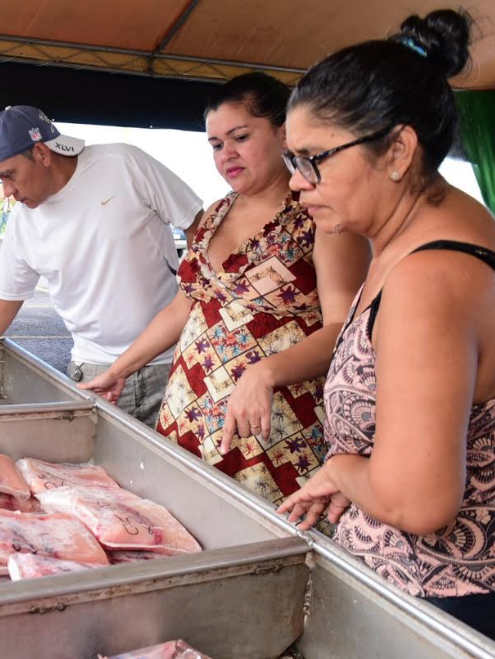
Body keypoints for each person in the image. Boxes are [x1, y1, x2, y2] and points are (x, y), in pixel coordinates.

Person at [273, 10, 495, 636]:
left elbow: (418, 501)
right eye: (293, 158)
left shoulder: (429, 276)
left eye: (313, 159)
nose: (296, 183)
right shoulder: (430, 229)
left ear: (397, 150)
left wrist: (343, 469)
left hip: (438, 611)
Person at [79, 73, 370, 507]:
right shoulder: (214, 214)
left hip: (271, 432)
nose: (226, 154)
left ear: (284, 133)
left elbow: (344, 332)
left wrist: (266, 371)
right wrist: (119, 370)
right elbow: (183, 308)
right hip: (187, 415)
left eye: (240, 137)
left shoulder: (319, 213)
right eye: (216, 145)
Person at [0, 105, 203, 426]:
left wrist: (198, 300)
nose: (7, 191)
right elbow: (3, 302)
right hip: (94, 371)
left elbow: (198, 224)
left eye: (9, 175)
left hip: (170, 360)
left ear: (41, 153)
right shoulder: (22, 224)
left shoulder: (124, 164)